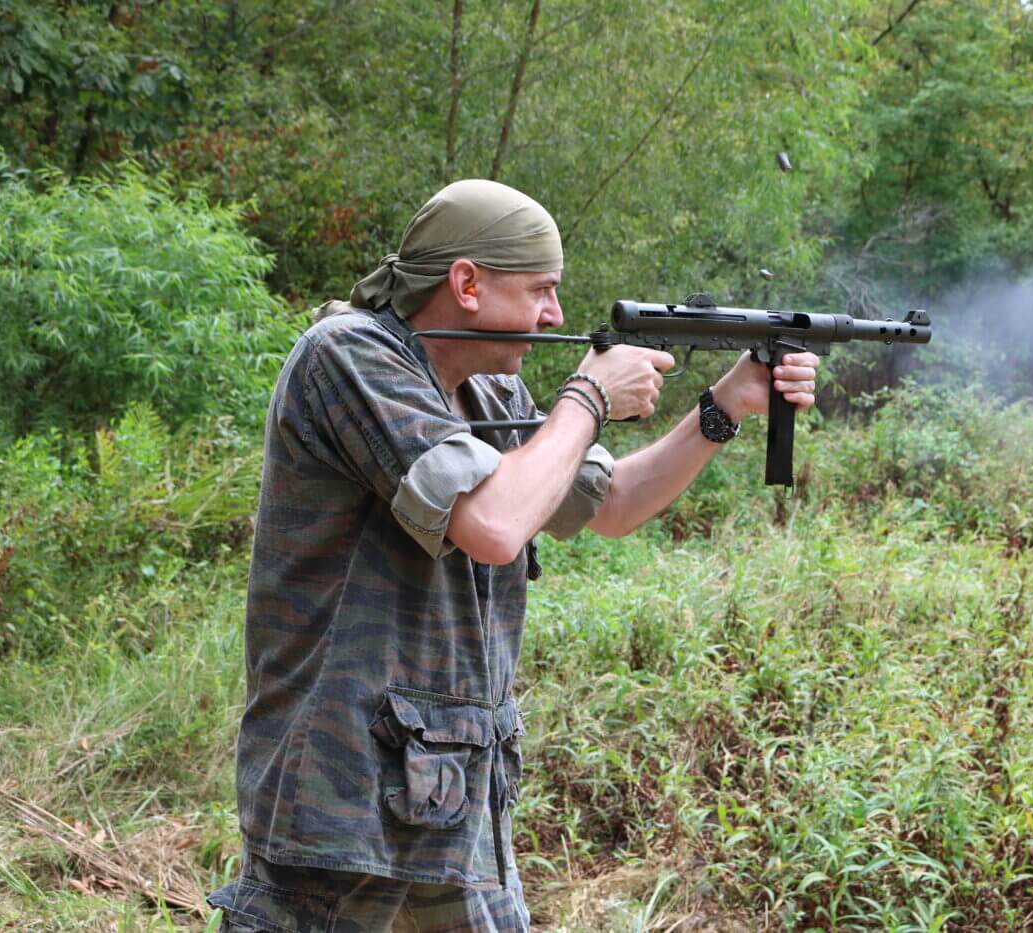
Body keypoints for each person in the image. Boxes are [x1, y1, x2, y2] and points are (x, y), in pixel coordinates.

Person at [207, 179, 819, 932]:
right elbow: (492, 523)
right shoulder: (348, 355)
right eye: (542, 290)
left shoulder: (489, 389)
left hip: (448, 793)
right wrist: (588, 397)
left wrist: (725, 407)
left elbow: (612, 501)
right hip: (337, 808)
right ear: (466, 283)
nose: (556, 314)